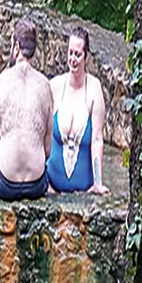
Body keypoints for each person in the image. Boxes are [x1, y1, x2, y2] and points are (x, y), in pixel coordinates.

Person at [0, 18, 52, 200]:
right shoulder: (45, 85)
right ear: (34, 50)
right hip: (36, 184)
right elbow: (47, 150)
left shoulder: (1, 81)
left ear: (16, 47)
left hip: (6, 183)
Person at [47, 28, 109, 195]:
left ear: (86, 57)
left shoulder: (95, 89)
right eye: (70, 53)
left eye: (77, 54)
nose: (73, 59)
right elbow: (40, 134)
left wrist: (98, 183)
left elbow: (97, 139)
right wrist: (42, 183)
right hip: (51, 187)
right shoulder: (55, 87)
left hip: (84, 189)